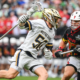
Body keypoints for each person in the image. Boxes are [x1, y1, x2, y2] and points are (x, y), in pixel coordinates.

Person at [0, 8, 61, 80]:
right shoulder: (40, 22)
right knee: (11, 75)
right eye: (56, 18)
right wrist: (21, 21)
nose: (58, 20)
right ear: (50, 17)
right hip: (24, 53)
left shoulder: (52, 32)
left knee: (44, 75)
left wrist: (49, 53)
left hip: (33, 57)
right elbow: (22, 25)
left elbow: (48, 47)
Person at [54, 11, 80, 80]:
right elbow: (64, 41)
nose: (74, 23)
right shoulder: (68, 30)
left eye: (76, 21)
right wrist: (60, 49)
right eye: (73, 21)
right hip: (74, 56)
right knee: (67, 75)